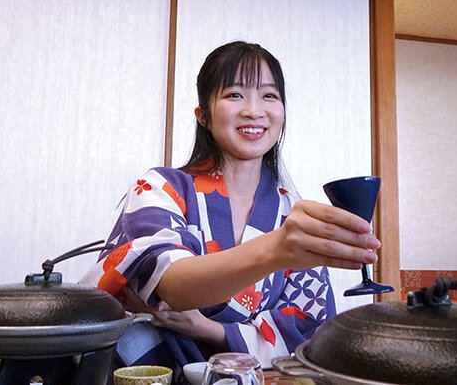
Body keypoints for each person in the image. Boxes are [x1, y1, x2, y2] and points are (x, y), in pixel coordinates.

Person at [80, 41, 380, 381]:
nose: (254, 110)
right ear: (203, 116)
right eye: (235, 95)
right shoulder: (160, 188)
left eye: (269, 95)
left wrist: (208, 329)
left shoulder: (290, 214)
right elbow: (172, 284)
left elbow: (306, 329)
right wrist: (276, 248)